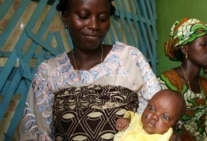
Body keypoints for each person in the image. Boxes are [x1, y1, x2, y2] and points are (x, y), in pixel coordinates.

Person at [18, 0, 161, 140]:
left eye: (103, 18)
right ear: (66, 18)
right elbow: (37, 132)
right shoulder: (48, 72)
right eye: (83, 16)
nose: (94, 25)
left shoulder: (128, 58)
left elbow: (161, 111)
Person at [159, 17, 207, 141]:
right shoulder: (167, 82)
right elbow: (159, 125)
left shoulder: (204, 85)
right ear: (185, 49)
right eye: (204, 44)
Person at [114, 89, 186, 141]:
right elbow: (134, 117)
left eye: (165, 117)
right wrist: (127, 121)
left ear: (174, 125)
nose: (154, 116)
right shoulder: (139, 118)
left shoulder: (166, 137)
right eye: (151, 108)